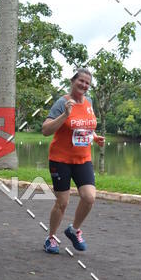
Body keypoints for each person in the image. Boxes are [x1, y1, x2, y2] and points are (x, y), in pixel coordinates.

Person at [41, 68, 105, 254]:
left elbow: (85, 126)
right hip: (60, 160)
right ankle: (51, 238)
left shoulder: (89, 102)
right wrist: (64, 115)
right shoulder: (62, 103)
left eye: (87, 83)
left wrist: (95, 137)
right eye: (81, 81)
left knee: (89, 197)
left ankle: (74, 229)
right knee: (62, 202)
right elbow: (45, 130)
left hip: (83, 158)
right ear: (73, 80)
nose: (84, 85)